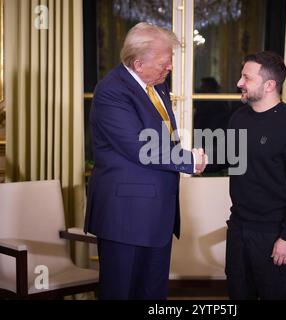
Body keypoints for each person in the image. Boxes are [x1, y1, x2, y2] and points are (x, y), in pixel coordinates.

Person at [84, 22, 207, 300]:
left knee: (152, 294)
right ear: (138, 64)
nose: (170, 68)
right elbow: (140, 147)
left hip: (157, 213)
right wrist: (189, 161)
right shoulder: (112, 91)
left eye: (170, 61)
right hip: (125, 215)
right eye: (165, 62)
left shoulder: (157, 85)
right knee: (121, 292)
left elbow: (164, 140)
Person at [225, 51, 286, 300]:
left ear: (269, 85)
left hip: (273, 233)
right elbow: (231, 159)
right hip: (238, 227)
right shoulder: (239, 117)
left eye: (246, 78)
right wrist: (193, 160)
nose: (239, 83)